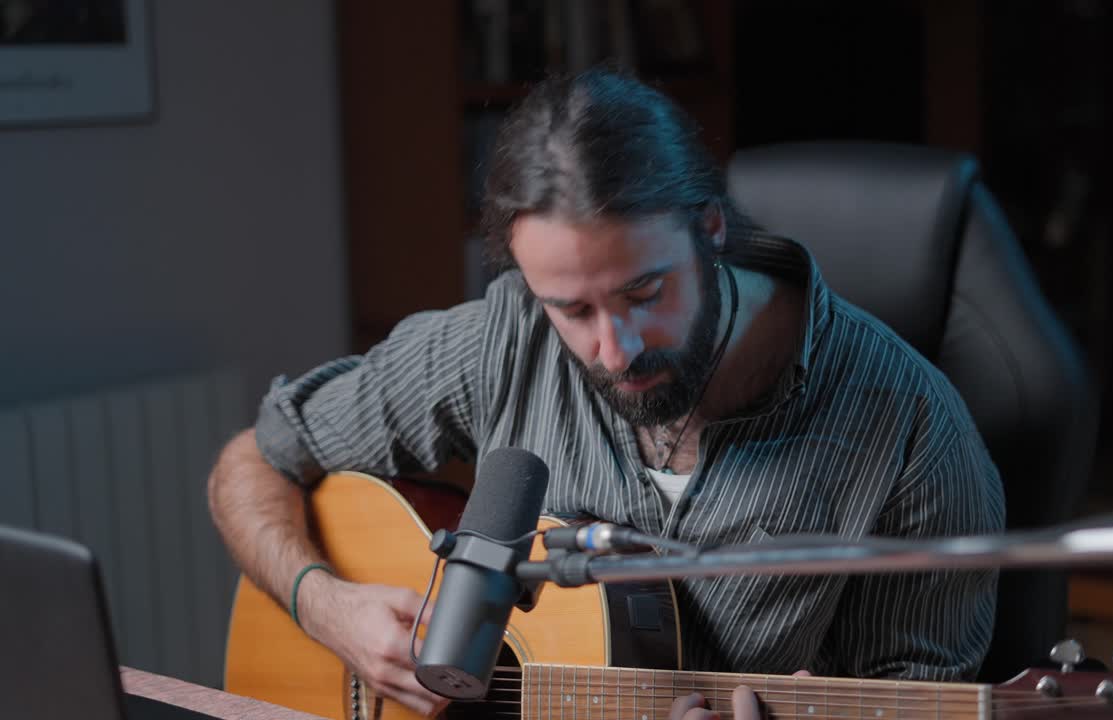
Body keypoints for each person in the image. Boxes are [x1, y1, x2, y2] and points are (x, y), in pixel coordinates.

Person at [208, 68, 1005, 719]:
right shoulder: (497, 340)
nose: (614, 351)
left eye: (644, 292)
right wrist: (325, 607)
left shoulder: (913, 435)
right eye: (573, 310)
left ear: (711, 229)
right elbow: (253, 462)